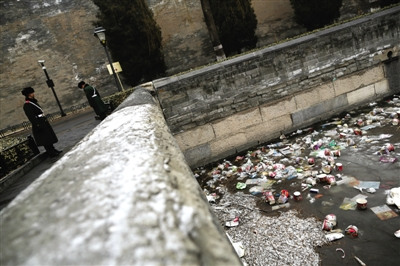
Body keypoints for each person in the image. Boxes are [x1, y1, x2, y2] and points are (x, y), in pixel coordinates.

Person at [21, 87, 62, 157]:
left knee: (49, 137)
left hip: (43, 121)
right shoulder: (27, 105)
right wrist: (37, 124)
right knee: (45, 139)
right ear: (29, 94)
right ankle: (50, 152)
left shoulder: (33, 102)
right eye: (32, 93)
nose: (33, 94)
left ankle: (53, 149)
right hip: (39, 123)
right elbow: (31, 117)